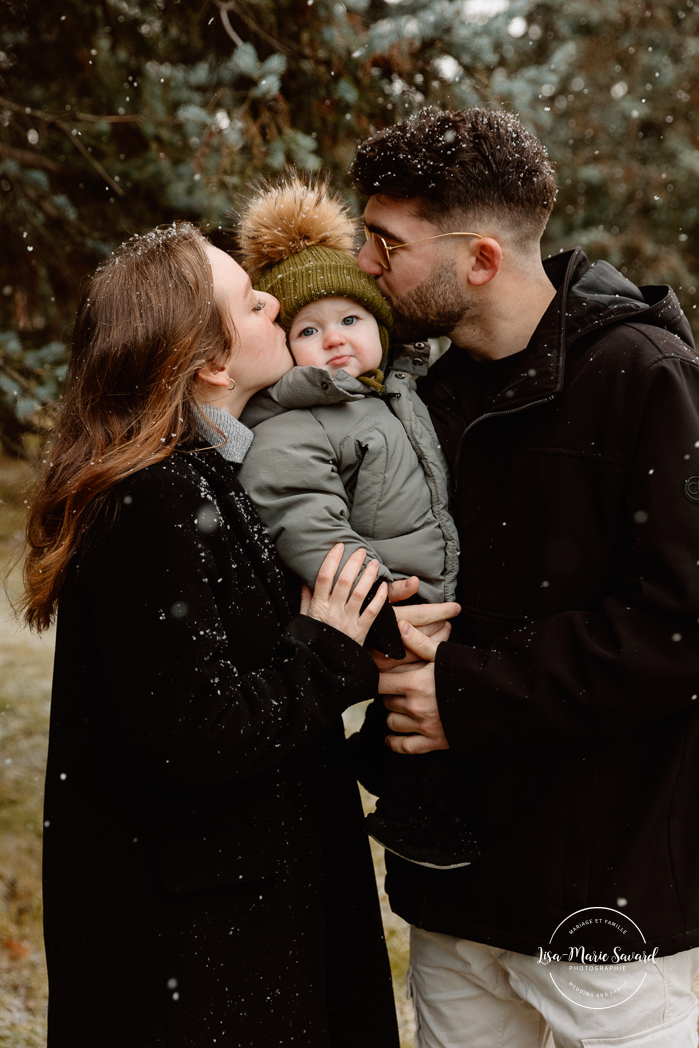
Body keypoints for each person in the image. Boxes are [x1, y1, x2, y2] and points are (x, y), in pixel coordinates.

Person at [19, 221, 420, 1048]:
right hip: (205, 955)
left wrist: (362, 621)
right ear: (209, 362)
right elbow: (192, 736)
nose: (276, 299)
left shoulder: (213, 478)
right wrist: (328, 643)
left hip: (240, 921)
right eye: (250, 298)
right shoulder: (151, 500)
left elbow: (246, 650)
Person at [350, 106, 699, 1047]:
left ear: (481, 258)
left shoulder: (643, 377)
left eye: (386, 241)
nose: (366, 263)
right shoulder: (422, 398)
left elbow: (678, 629)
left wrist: (460, 694)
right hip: (456, 890)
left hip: (605, 905)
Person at [235, 171, 474, 870]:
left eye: (350, 320)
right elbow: (302, 517)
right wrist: (373, 600)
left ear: (379, 325)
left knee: (425, 705)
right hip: (387, 595)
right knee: (422, 719)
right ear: (285, 345)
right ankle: (415, 814)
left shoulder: (397, 392)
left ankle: (380, 757)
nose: (334, 339)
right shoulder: (293, 418)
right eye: (308, 329)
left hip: (425, 577)